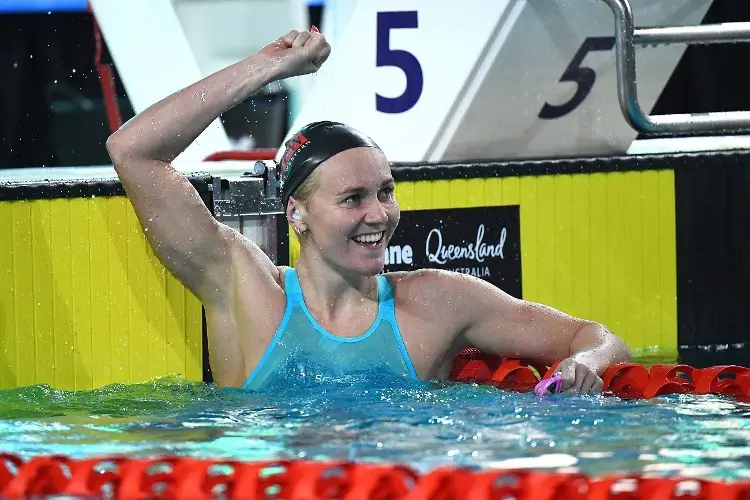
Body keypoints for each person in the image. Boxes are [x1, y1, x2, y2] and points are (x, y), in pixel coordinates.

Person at [105, 27, 631, 394]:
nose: (378, 215)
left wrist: (585, 363)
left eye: (385, 191)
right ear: (297, 214)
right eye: (352, 199)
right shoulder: (241, 285)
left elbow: (600, 339)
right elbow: (133, 150)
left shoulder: (439, 300)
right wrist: (268, 68)